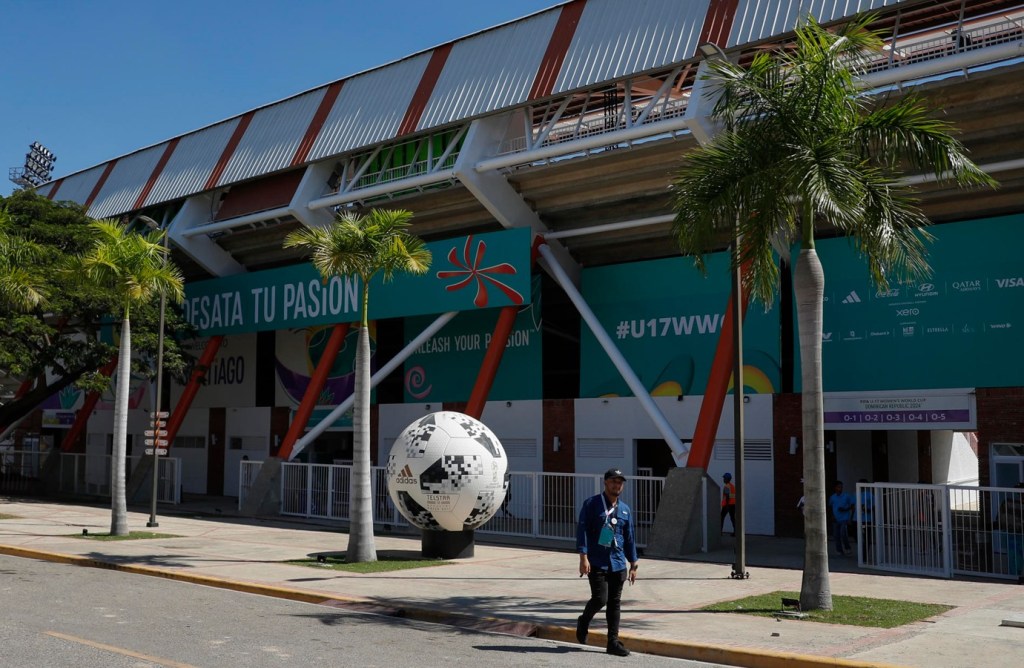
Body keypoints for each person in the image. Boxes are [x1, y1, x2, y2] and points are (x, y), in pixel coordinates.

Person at [576, 468, 638, 657]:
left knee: (614, 603)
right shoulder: (592, 504)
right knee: (600, 599)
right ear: (605, 483)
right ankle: (584, 621)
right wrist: (583, 557)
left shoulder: (625, 509)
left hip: (618, 563)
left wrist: (633, 563)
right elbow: (582, 531)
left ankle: (612, 643)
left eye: (619, 482)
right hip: (597, 561)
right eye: (613, 481)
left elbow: (629, 538)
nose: (616, 485)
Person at [997, 483, 1024, 584]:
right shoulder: (1010, 503)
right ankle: (1016, 576)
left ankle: (1018, 576)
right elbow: (1002, 518)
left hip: (1014, 532)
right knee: (1015, 556)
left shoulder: (1010, 503)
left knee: (1016, 556)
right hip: (1013, 533)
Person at [829, 480, 854, 556]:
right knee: (836, 535)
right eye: (839, 487)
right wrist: (832, 516)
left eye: (841, 487)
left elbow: (852, 506)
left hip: (844, 518)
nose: (840, 488)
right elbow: (830, 507)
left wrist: (846, 510)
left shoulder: (846, 496)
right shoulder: (832, 497)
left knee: (843, 534)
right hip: (836, 518)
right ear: (835, 488)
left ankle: (847, 548)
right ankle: (839, 550)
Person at [858, 479, 875, 564]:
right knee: (860, 538)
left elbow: (874, 506)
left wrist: (867, 509)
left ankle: (864, 556)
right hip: (858, 520)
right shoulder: (856, 494)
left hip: (867, 520)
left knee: (866, 538)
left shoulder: (869, 495)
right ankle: (862, 555)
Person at [720, 472, 736, 536]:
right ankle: (736, 532)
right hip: (733, 504)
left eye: (724, 478)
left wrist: (726, 505)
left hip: (728, 505)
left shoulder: (727, 486)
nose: (723, 479)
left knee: (721, 517)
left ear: (727, 479)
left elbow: (727, 496)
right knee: (732, 518)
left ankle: (719, 532)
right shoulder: (732, 486)